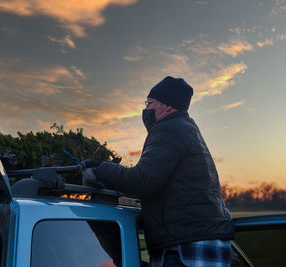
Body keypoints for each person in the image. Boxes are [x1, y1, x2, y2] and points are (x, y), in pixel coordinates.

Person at [84, 76, 235, 267]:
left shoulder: (169, 129)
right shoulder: (187, 129)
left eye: (150, 103)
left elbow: (144, 180)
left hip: (186, 244)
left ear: (169, 107)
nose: (146, 109)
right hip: (200, 237)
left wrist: (101, 169)